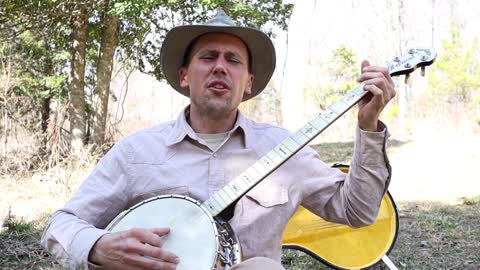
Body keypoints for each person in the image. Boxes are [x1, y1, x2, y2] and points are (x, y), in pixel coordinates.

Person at [41, 9, 395, 270]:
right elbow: (62, 224)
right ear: (184, 76)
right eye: (208, 57)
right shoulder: (137, 152)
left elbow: (359, 212)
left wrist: (368, 126)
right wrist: (99, 246)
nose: (220, 67)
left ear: (250, 82)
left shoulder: (284, 151)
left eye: (234, 60)